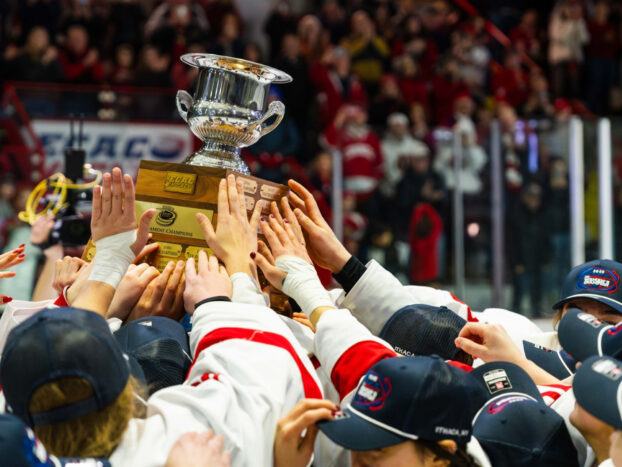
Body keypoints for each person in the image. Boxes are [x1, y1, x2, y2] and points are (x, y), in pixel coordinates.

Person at [0, 169, 321, 465]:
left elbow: (61, 354)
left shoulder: (14, 448)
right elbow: (260, 366)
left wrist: (105, 276)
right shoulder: (188, 442)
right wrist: (224, 288)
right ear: (129, 383)